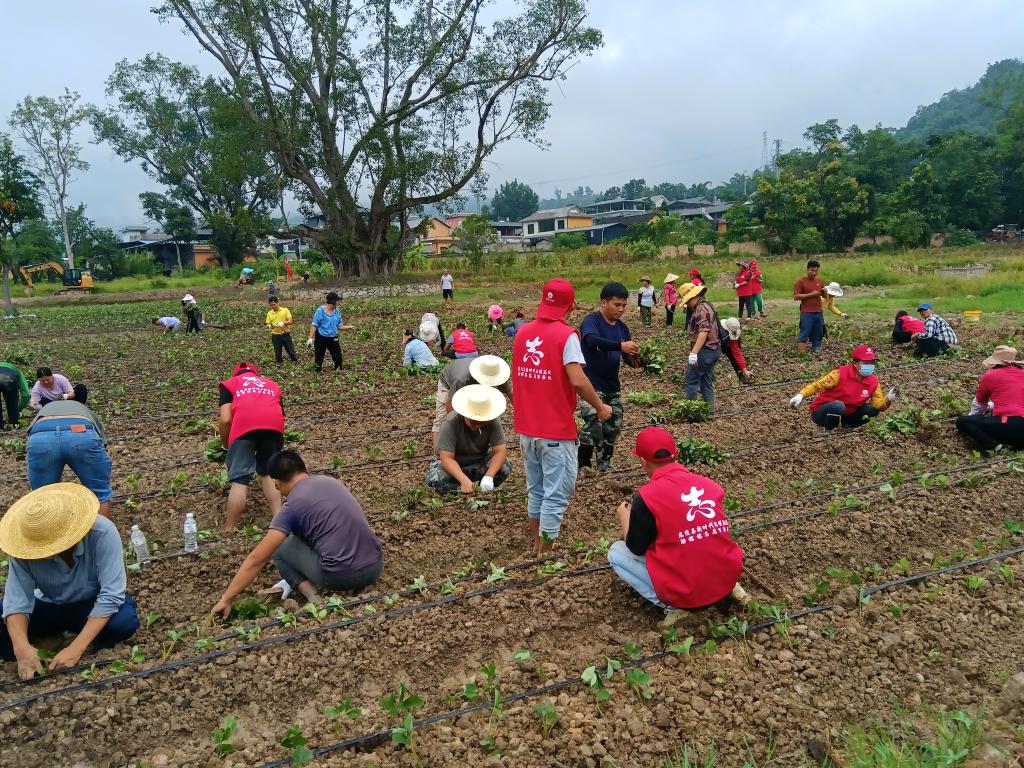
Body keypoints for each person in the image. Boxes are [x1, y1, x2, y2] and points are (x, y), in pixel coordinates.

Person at [212, 450, 383, 611]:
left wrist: (226, 598)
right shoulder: (331, 481)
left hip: (340, 577)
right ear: (305, 468)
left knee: (279, 547)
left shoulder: (292, 505)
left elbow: (257, 558)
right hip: (375, 566)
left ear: (276, 483)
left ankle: (314, 597)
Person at [0, 484, 140, 680]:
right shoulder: (25, 548)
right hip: (48, 604)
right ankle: (43, 642)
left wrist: (76, 649)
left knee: (124, 622)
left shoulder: (102, 533)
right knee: (7, 623)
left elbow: (111, 595)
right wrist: (21, 648)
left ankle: (84, 642)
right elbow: (16, 601)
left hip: (90, 605)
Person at [513, 278, 612, 553]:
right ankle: (545, 555)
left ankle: (537, 545)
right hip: (555, 430)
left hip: (527, 429)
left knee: (536, 490)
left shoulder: (522, 333)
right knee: (556, 494)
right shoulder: (566, 335)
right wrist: (600, 406)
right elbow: (577, 380)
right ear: (572, 304)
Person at [607, 427, 746, 618]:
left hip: (686, 593)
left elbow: (636, 548)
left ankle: (673, 607)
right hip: (726, 580)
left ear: (643, 462)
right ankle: (730, 589)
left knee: (616, 552)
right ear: (677, 454)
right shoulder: (709, 484)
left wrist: (625, 517)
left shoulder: (647, 497)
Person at [579, 283, 640, 472]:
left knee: (613, 424)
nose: (621, 309)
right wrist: (620, 345)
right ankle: (583, 464)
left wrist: (638, 359)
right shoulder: (592, 322)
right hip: (590, 384)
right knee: (593, 422)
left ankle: (604, 462)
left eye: (624, 305)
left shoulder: (622, 328)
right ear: (604, 303)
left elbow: (627, 358)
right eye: (617, 305)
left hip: (612, 385)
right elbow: (591, 340)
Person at [27, 387, 113, 517]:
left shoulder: (48, 407)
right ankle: (101, 529)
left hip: (42, 437)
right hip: (82, 433)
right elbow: (103, 445)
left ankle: (49, 528)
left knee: (42, 496)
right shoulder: (84, 410)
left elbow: (30, 438)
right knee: (100, 494)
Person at [219, 363, 284, 532]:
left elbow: (225, 419)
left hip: (244, 428)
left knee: (240, 480)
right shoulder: (272, 384)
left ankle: (229, 529)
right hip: (273, 428)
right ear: (256, 374)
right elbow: (279, 412)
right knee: (268, 473)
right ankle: (280, 524)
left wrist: (226, 444)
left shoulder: (230, 384)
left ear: (236, 375)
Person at [789, 345, 897, 430]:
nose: (870, 365)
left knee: (872, 410)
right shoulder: (839, 374)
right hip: (823, 412)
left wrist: (888, 399)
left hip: (848, 413)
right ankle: (830, 430)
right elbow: (817, 385)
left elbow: (878, 405)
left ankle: (848, 425)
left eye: (872, 362)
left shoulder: (873, 382)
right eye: (866, 362)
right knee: (838, 406)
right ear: (855, 363)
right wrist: (801, 395)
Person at [427, 385, 511, 494]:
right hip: (454, 465)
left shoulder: (492, 422)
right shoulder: (451, 422)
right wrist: (463, 480)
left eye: (481, 423)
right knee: (437, 480)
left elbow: (500, 451)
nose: (477, 426)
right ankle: (460, 488)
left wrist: (489, 477)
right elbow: (446, 458)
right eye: (473, 422)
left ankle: (482, 487)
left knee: (504, 466)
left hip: (477, 462)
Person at [432, 355, 511, 448]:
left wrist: (520, 415)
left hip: (470, 381)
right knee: (442, 419)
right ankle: (438, 452)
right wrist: (458, 425)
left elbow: (510, 392)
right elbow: (450, 406)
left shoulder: (495, 373)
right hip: (448, 383)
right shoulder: (462, 378)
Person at [955, 346, 1024, 451]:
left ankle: (994, 446)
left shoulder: (991, 375)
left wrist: (974, 418)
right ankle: (1017, 447)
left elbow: (979, 404)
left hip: (1008, 424)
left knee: (963, 421)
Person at [681, 282, 722, 411]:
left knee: (690, 381)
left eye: (687, 301)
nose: (687, 304)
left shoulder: (700, 309)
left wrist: (694, 353)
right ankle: (710, 411)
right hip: (714, 349)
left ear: (693, 297)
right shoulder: (707, 305)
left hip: (705, 351)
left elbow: (704, 331)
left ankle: (693, 412)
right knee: (705, 381)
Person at [307, 292, 353, 372]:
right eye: (337, 301)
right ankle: (317, 372)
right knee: (319, 357)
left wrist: (349, 327)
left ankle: (338, 370)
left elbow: (339, 326)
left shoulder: (337, 312)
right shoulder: (320, 311)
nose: (338, 303)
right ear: (333, 301)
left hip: (333, 337)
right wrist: (310, 338)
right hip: (321, 337)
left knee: (338, 357)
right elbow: (314, 325)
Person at [793, 260, 826, 353]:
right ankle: (801, 354)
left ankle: (816, 351)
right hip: (807, 312)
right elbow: (796, 297)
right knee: (804, 333)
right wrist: (811, 294)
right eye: (812, 270)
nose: (814, 273)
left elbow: (823, 295)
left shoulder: (819, 280)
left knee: (818, 333)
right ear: (807, 269)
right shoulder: (800, 281)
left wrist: (825, 293)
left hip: (818, 311)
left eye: (816, 271)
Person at [265, 296, 299, 364]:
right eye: (271, 305)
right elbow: (268, 323)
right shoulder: (269, 313)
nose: (273, 306)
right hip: (275, 336)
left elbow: (290, 321)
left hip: (285, 334)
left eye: (274, 304)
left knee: (290, 350)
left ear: (278, 303)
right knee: (277, 352)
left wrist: (283, 323)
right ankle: (279, 364)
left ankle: (295, 361)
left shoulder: (285, 310)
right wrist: (269, 326)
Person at [720, 317, 753, 383]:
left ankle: (741, 375)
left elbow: (737, 352)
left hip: (726, 345)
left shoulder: (733, 339)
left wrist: (744, 370)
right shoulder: (715, 330)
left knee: (733, 356)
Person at [0, 361, 30, 431]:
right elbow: (26, 394)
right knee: (12, 402)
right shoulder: (17, 371)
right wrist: (18, 408)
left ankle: (1, 425)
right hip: (11, 380)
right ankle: (14, 424)